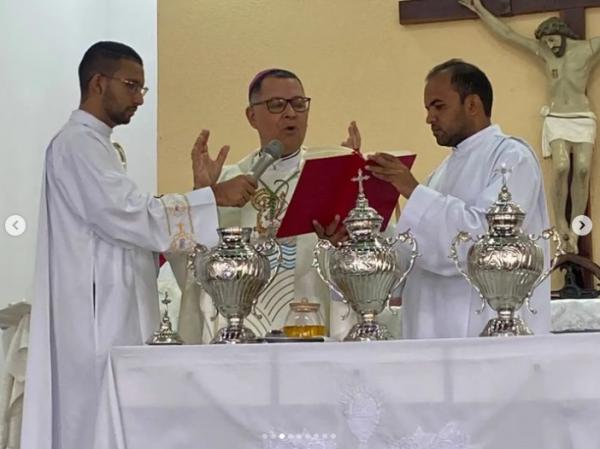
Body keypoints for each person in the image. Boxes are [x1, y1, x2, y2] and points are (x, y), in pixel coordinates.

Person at [21, 41, 256, 449]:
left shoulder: (98, 145)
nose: (139, 99)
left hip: (113, 308)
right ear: (98, 82)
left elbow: (132, 225)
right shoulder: (77, 144)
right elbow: (127, 214)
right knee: (93, 422)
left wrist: (200, 194)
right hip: (95, 318)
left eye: (142, 90)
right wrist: (211, 197)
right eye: (132, 86)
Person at [175, 68, 365, 343]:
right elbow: (193, 269)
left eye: (299, 104)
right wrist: (201, 197)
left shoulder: (328, 177)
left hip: (310, 327)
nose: (291, 113)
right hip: (237, 338)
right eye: (277, 105)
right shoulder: (226, 184)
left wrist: (341, 240)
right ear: (252, 116)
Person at [367, 59, 551, 339]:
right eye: (428, 109)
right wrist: (359, 233)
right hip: (429, 334)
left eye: (438, 106)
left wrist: (412, 191)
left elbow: (483, 244)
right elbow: (410, 253)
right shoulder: (439, 173)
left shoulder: (512, 157)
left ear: (473, 105)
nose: (429, 118)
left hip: (487, 333)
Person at [458, 0, 600, 253]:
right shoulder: (544, 52)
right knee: (561, 166)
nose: (550, 46)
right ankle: (561, 224)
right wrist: (479, 8)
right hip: (557, 116)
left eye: (554, 40)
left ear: (564, 35)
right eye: (546, 42)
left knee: (581, 170)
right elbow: (508, 34)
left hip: (582, 117)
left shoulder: (587, 49)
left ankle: (576, 229)